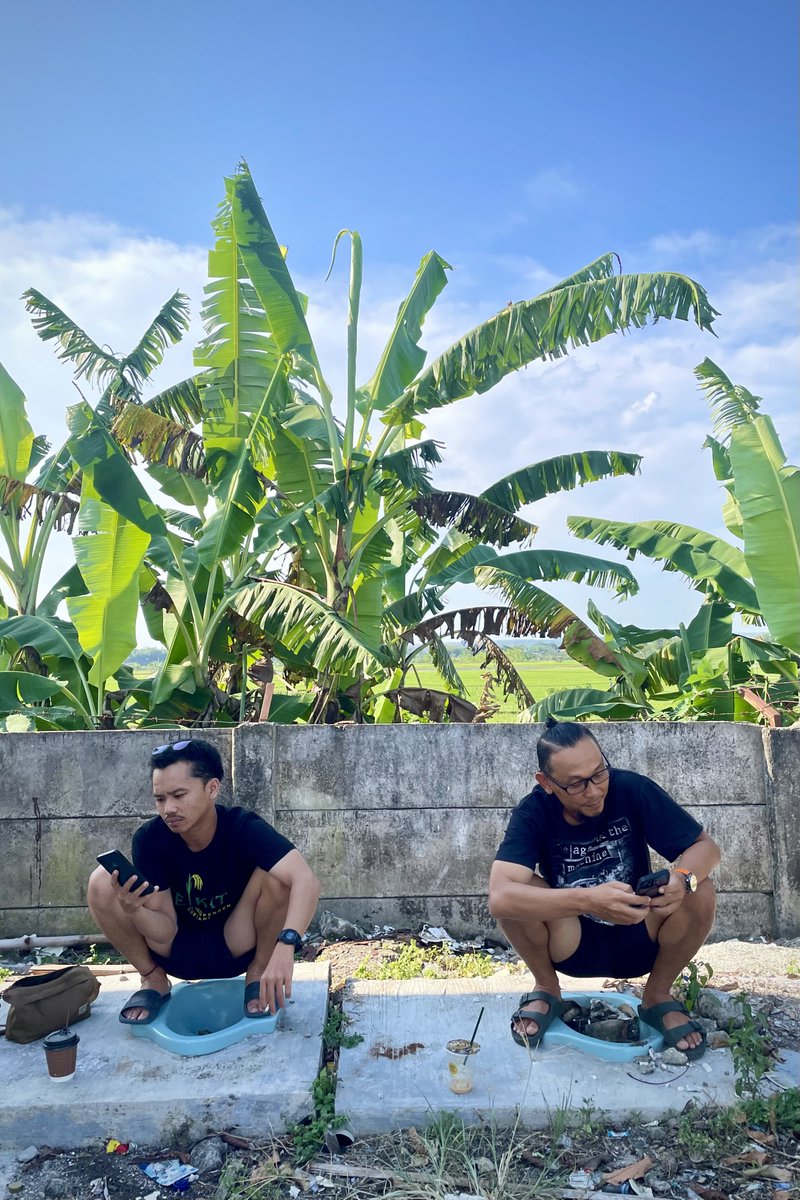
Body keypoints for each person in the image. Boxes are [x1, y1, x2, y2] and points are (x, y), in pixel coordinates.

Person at [488, 718, 720, 1060]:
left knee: (701, 889)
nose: (594, 790)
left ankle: (657, 996)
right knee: (518, 895)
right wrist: (588, 900)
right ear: (547, 783)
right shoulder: (534, 811)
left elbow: (707, 848)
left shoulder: (632, 790)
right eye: (577, 785)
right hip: (570, 941)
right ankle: (546, 987)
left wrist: (682, 878)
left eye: (599, 773)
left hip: (640, 930)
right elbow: (500, 897)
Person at [87, 738, 321, 1024]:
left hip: (236, 943)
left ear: (212, 788)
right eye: (160, 799)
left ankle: (257, 974)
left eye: (179, 795)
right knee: (101, 881)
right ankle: (153, 980)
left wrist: (286, 946)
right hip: (174, 950)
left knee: (279, 874)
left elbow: (305, 880)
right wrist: (134, 909)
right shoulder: (151, 839)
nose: (168, 809)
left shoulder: (242, 827)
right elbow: (162, 932)